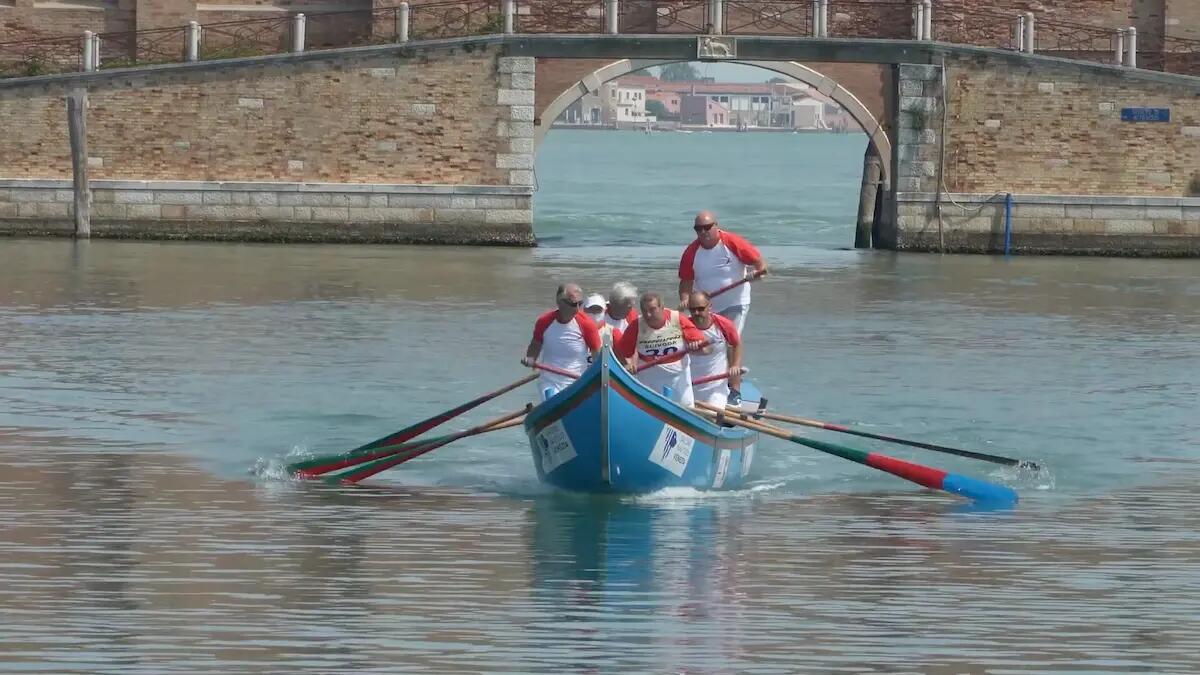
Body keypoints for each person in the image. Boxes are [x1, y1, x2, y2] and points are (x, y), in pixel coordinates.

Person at [677, 210, 768, 334]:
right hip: (705, 308)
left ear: (716, 225)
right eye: (698, 229)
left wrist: (757, 275)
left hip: (735, 303)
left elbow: (760, 263)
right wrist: (685, 300)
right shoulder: (690, 252)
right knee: (709, 345)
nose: (703, 232)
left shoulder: (732, 242)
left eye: (707, 227)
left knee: (730, 340)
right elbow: (686, 283)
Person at [614, 291, 706, 406]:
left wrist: (697, 348)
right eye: (644, 311)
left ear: (662, 307)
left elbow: (707, 349)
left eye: (652, 310)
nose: (648, 315)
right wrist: (626, 364)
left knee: (685, 407)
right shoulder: (636, 325)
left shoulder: (678, 319)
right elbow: (621, 352)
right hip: (649, 381)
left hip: (678, 380)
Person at [522, 283, 601, 400]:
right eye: (574, 304)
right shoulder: (544, 322)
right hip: (550, 381)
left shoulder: (587, 325)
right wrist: (531, 358)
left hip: (577, 382)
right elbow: (536, 344)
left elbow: (597, 356)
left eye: (580, 303)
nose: (578, 308)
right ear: (560, 302)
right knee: (552, 399)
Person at [685, 291, 743, 408]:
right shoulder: (684, 325)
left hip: (716, 387)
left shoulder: (723, 325)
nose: (696, 313)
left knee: (711, 414)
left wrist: (735, 365)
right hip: (689, 385)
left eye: (701, 309)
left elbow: (737, 344)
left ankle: (734, 396)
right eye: (693, 309)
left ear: (709, 307)